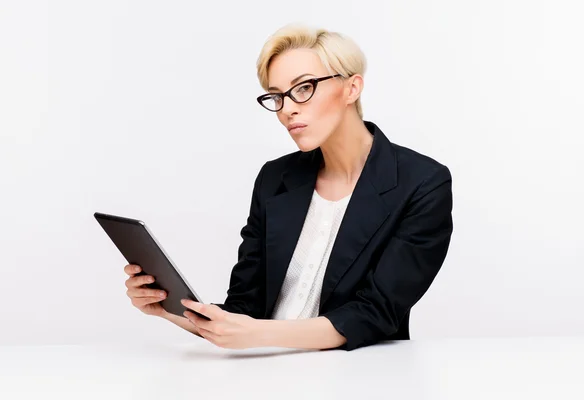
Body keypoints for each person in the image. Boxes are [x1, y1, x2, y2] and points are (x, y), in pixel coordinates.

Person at [124, 23, 453, 351]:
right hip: (265, 368)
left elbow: (376, 313)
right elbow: (243, 309)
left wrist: (257, 334)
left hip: (355, 376)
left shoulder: (421, 184)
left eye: (304, 88)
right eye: (277, 96)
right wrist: (168, 308)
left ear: (352, 88)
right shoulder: (275, 179)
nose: (287, 109)